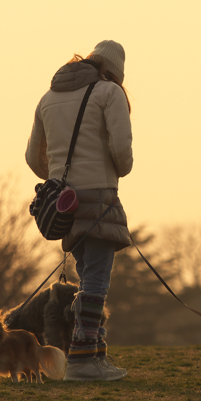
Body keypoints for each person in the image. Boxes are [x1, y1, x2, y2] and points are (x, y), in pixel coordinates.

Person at [25, 40, 133, 382]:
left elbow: (32, 158)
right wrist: (113, 169)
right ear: (114, 72)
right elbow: (122, 151)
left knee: (88, 275)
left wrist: (58, 177)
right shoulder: (109, 93)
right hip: (99, 195)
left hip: (64, 202)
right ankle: (85, 361)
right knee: (97, 280)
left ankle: (94, 356)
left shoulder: (48, 97)